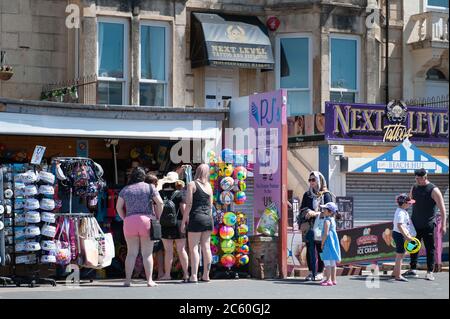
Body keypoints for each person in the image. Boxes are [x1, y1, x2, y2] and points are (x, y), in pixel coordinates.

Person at [116, 167, 163, 287]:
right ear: (143, 176)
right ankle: (149, 281)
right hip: (146, 220)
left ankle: (127, 281)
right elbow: (160, 203)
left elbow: (118, 207)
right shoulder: (149, 187)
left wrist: (125, 218)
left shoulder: (125, 189)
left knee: (131, 253)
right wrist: (157, 217)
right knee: (147, 253)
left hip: (129, 221)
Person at [403, 168, 447, 281]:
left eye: (418, 179)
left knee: (429, 248)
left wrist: (444, 225)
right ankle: (413, 269)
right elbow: (410, 202)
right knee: (413, 246)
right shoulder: (414, 187)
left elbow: (442, 209)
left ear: (425, 177)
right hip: (415, 224)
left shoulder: (433, 190)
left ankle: (429, 271)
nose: (416, 180)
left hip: (428, 224)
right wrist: (403, 207)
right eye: (415, 178)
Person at [181, 164, 213, 283]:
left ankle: (194, 275)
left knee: (194, 247)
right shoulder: (209, 186)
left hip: (196, 217)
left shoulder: (192, 184)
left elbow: (188, 204)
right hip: (208, 219)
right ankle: (206, 275)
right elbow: (211, 205)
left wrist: (184, 221)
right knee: (206, 247)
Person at [299, 171, 333, 281]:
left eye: (313, 180)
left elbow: (330, 211)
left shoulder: (326, 195)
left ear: (319, 180)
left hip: (321, 225)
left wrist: (317, 213)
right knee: (309, 248)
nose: (311, 182)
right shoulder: (307, 195)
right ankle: (311, 272)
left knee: (320, 248)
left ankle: (319, 272)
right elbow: (302, 209)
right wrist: (308, 211)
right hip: (309, 225)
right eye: (310, 180)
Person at [157, 172, 189, 282]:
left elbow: (157, 210)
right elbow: (184, 210)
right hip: (179, 223)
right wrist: (185, 223)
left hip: (165, 224)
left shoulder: (159, 193)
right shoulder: (180, 194)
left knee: (168, 251)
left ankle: (167, 274)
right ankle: (186, 274)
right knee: (181, 250)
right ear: (176, 182)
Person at [144, 173, 165, 280]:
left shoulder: (142, 192)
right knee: (158, 250)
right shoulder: (153, 192)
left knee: (147, 250)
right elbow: (159, 205)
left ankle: (148, 273)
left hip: (144, 223)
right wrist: (159, 219)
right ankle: (160, 272)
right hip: (154, 222)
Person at [392, 193, 416, 282]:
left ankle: (395, 273)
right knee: (400, 255)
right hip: (400, 235)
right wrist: (406, 237)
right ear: (404, 203)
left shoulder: (402, 211)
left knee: (402, 254)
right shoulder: (401, 213)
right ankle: (398, 276)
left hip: (400, 235)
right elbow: (400, 226)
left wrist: (408, 235)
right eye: (409, 203)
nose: (410, 204)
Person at [319, 202, 341, 286]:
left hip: (327, 243)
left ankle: (328, 280)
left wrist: (322, 243)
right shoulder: (332, 219)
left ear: (330, 212)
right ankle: (333, 279)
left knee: (327, 262)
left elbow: (325, 233)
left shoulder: (327, 220)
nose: (323, 210)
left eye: (325, 209)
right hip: (333, 242)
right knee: (332, 262)